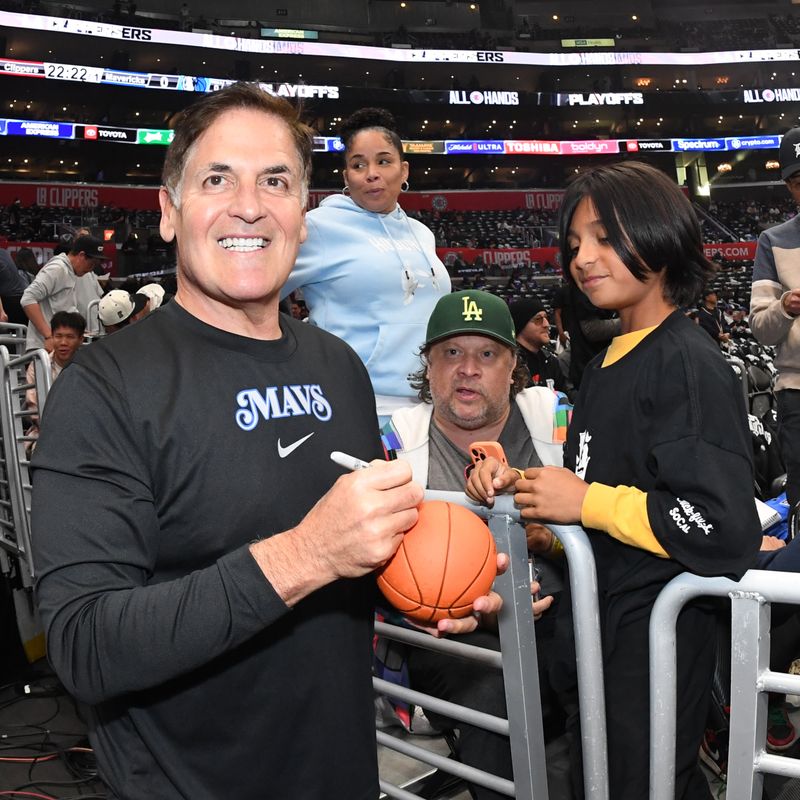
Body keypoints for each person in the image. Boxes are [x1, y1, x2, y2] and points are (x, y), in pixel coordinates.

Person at [30, 82, 501, 800]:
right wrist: (308, 553)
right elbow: (86, 645)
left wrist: (431, 583)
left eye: (275, 181)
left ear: (302, 217)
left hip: (342, 770)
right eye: (217, 178)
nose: (249, 204)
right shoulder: (104, 386)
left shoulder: (338, 368)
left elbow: (344, 564)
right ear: (169, 211)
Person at [469, 162, 761, 800]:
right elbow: (602, 497)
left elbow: (722, 526)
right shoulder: (602, 367)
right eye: (574, 244)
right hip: (595, 633)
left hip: (652, 643)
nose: (583, 258)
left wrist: (586, 502)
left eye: (604, 237)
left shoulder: (687, 362)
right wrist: (547, 520)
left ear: (658, 233)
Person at [382, 289, 565, 799]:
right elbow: (371, 575)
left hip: (562, 619)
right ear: (429, 365)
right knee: (495, 689)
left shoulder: (555, 422)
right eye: (451, 353)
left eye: (486, 354)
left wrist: (545, 537)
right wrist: (477, 606)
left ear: (513, 364)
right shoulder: (395, 443)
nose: (467, 369)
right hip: (451, 637)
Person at [281, 107, 451, 425]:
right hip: (356, 406)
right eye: (358, 165)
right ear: (346, 178)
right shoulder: (320, 227)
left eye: (383, 161)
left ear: (404, 170)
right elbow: (259, 289)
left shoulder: (421, 234)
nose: (371, 173)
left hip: (429, 408)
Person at [751, 126, 800, 513]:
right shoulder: (774, 240)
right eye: (798, 182)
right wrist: (786, 306)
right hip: (796, 389)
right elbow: (761, 329)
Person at [20, 235, 105, 352]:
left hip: (59, 346)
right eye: (92, 264)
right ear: (81, 256)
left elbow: (62, 305)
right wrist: (48, 335)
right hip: (43, 347)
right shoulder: (57, 269)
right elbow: (28, 299)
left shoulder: (70, 271)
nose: (91, 269)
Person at [24, 310, 85, 454]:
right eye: (58, 336)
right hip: (44, 433)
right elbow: (34, 408)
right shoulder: (37, 366)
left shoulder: (89, 366)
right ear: (51, 337)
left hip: (83, 432)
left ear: (81, 339)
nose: (63, 342)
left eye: (70, 337)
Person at [508, 297, 570, 396]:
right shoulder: (510, 364)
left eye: (546, 318)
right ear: (521, 324)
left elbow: (564, 402)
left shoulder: (551, 361)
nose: (547, 324)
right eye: (538, 319)